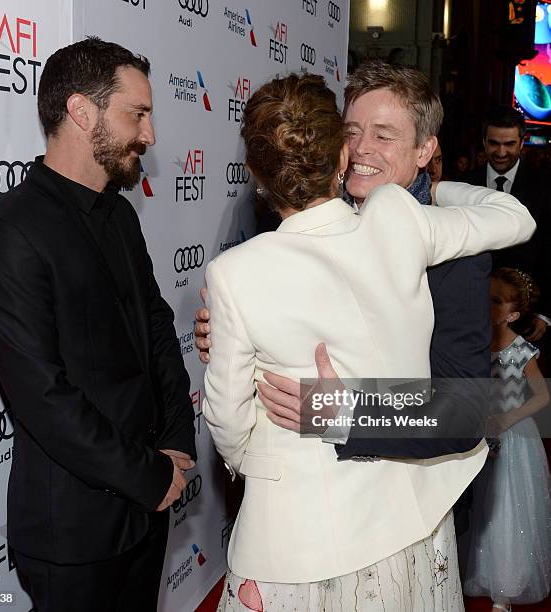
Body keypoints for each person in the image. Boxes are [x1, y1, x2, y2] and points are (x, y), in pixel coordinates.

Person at [202, 72, 534, 611]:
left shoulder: (448, 248)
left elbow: (466, 412)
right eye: (351, 131)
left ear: (427, 149)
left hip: (407, 517)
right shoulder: (387, 221)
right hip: (323, 531)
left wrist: (346, 414)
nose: (361, 149)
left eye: (384, 135)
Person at [0, 38, 196, 612]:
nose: (150, 134)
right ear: (81, 112)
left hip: (149, 507)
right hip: (74, 532)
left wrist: (175, 445)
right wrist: (149, 474)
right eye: (137, 114)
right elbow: (44, 398)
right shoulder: (6, 233)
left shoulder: (120, 215)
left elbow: (159, 333)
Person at [463, 268, 551, 610]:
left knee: (507, 506)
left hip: (514, 436)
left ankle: (506, 585)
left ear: (513, 314)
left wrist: (508, 418)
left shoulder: (521, 350)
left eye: (496, 301)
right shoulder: (472, 342)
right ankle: (480, 573)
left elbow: (542, 397)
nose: (486, 305)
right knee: (482, 504)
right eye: (485, 296)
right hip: (479, 431)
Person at [466, 105, 551, 343]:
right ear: (484, 142)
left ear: (522, 143)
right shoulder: (466, 184)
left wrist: (545, 313)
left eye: (509, 144)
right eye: (494, 143)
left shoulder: (544, 187)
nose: (501, 152)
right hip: (472, 310)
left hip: (527, 314)